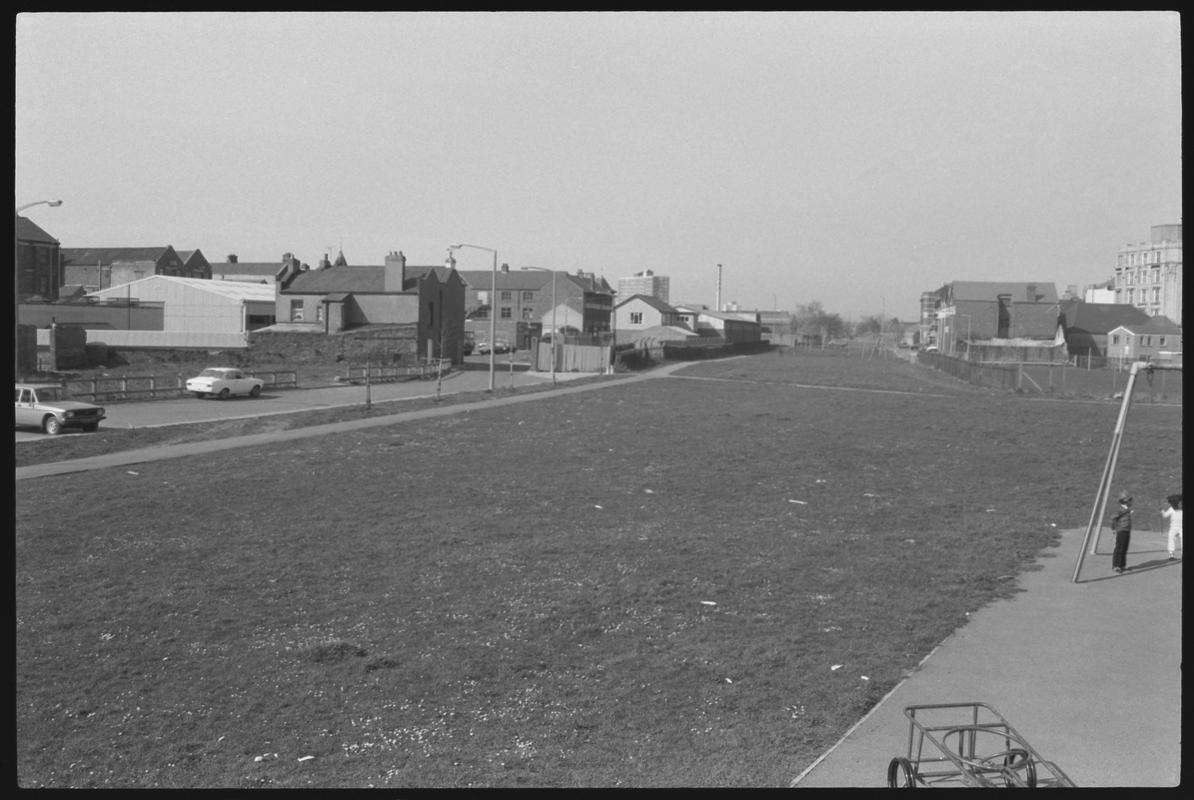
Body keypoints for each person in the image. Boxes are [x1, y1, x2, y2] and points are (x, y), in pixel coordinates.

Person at [1110, 493, 1133, 573]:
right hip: (1121, 531)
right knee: (1119, 548)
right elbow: (1113, 518)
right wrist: (1113, 528)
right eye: (1129, 500)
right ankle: (1116, 565)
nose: (1131, 502)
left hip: (1127, 530)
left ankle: (1122, 565)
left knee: (1124, 548)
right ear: (1125, 501)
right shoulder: (1120, 510)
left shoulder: (1127, 509)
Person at [1161, 494, 1182, 561]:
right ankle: (1171, 555)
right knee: (1171, 539)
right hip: (1173, 527)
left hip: (1181, 527)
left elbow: (1165, 516)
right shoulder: (1171, 509)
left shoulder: (1181, 509)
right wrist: (1162, 511)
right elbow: (1165, 515)